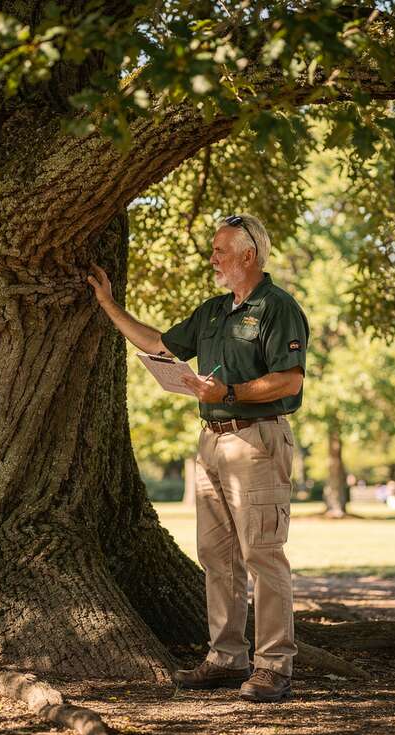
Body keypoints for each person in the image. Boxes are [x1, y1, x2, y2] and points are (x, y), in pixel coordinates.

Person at [87, 213, 309, 703]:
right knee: (216, 555)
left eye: (220, 251)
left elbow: (289, 380)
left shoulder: (277, 308)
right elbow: (158, 343)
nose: (213, 259)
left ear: (249, 254)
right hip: (210, 441)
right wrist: (108, 304)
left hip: (256, 440)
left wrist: (227, 391)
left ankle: (274, 667)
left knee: (262, 554)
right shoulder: (212, 311)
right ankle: (227, 658)